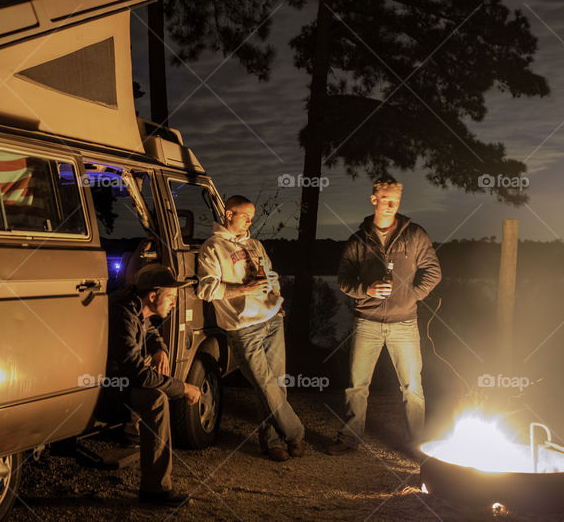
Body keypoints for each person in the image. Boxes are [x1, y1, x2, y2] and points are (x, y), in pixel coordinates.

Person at [327, 178, 442, 455]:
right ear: (373, 199)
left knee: (412, 386)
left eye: (396, 200)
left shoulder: (415, 235)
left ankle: (416, 443)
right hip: (366, 322)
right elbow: (343, 280)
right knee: (357, 385)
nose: (391, 205)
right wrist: (365, 290)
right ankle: (349, 438)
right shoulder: (358, 240)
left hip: (405, 324)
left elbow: (433, 271)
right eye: (385, 198)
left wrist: (411, 295)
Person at [197, 196, 305, 462]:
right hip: (243, 327)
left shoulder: (255, 244)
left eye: (252, 216)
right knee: (265, 384)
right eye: (245, 215)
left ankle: (272, 441)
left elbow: (271, 275)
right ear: (228, 214)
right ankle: (296, 432)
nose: (250, 221)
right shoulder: (212, 248)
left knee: (277, 384)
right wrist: (244, 289)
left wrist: (276, 298)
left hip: (271, 320)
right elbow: (206, 289)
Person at [106, 264, 201, 506]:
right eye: (170, 297)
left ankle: (133, 429)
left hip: (122, 378)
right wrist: (184, 387)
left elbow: (148, 330)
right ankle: (155, 490)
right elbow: (139, 375)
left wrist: (160, 349)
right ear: (152, 296)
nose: (174, 303)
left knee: (156, 372)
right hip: (105, 387)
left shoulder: (135, 306)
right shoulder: (123, 314)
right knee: (156, 399)